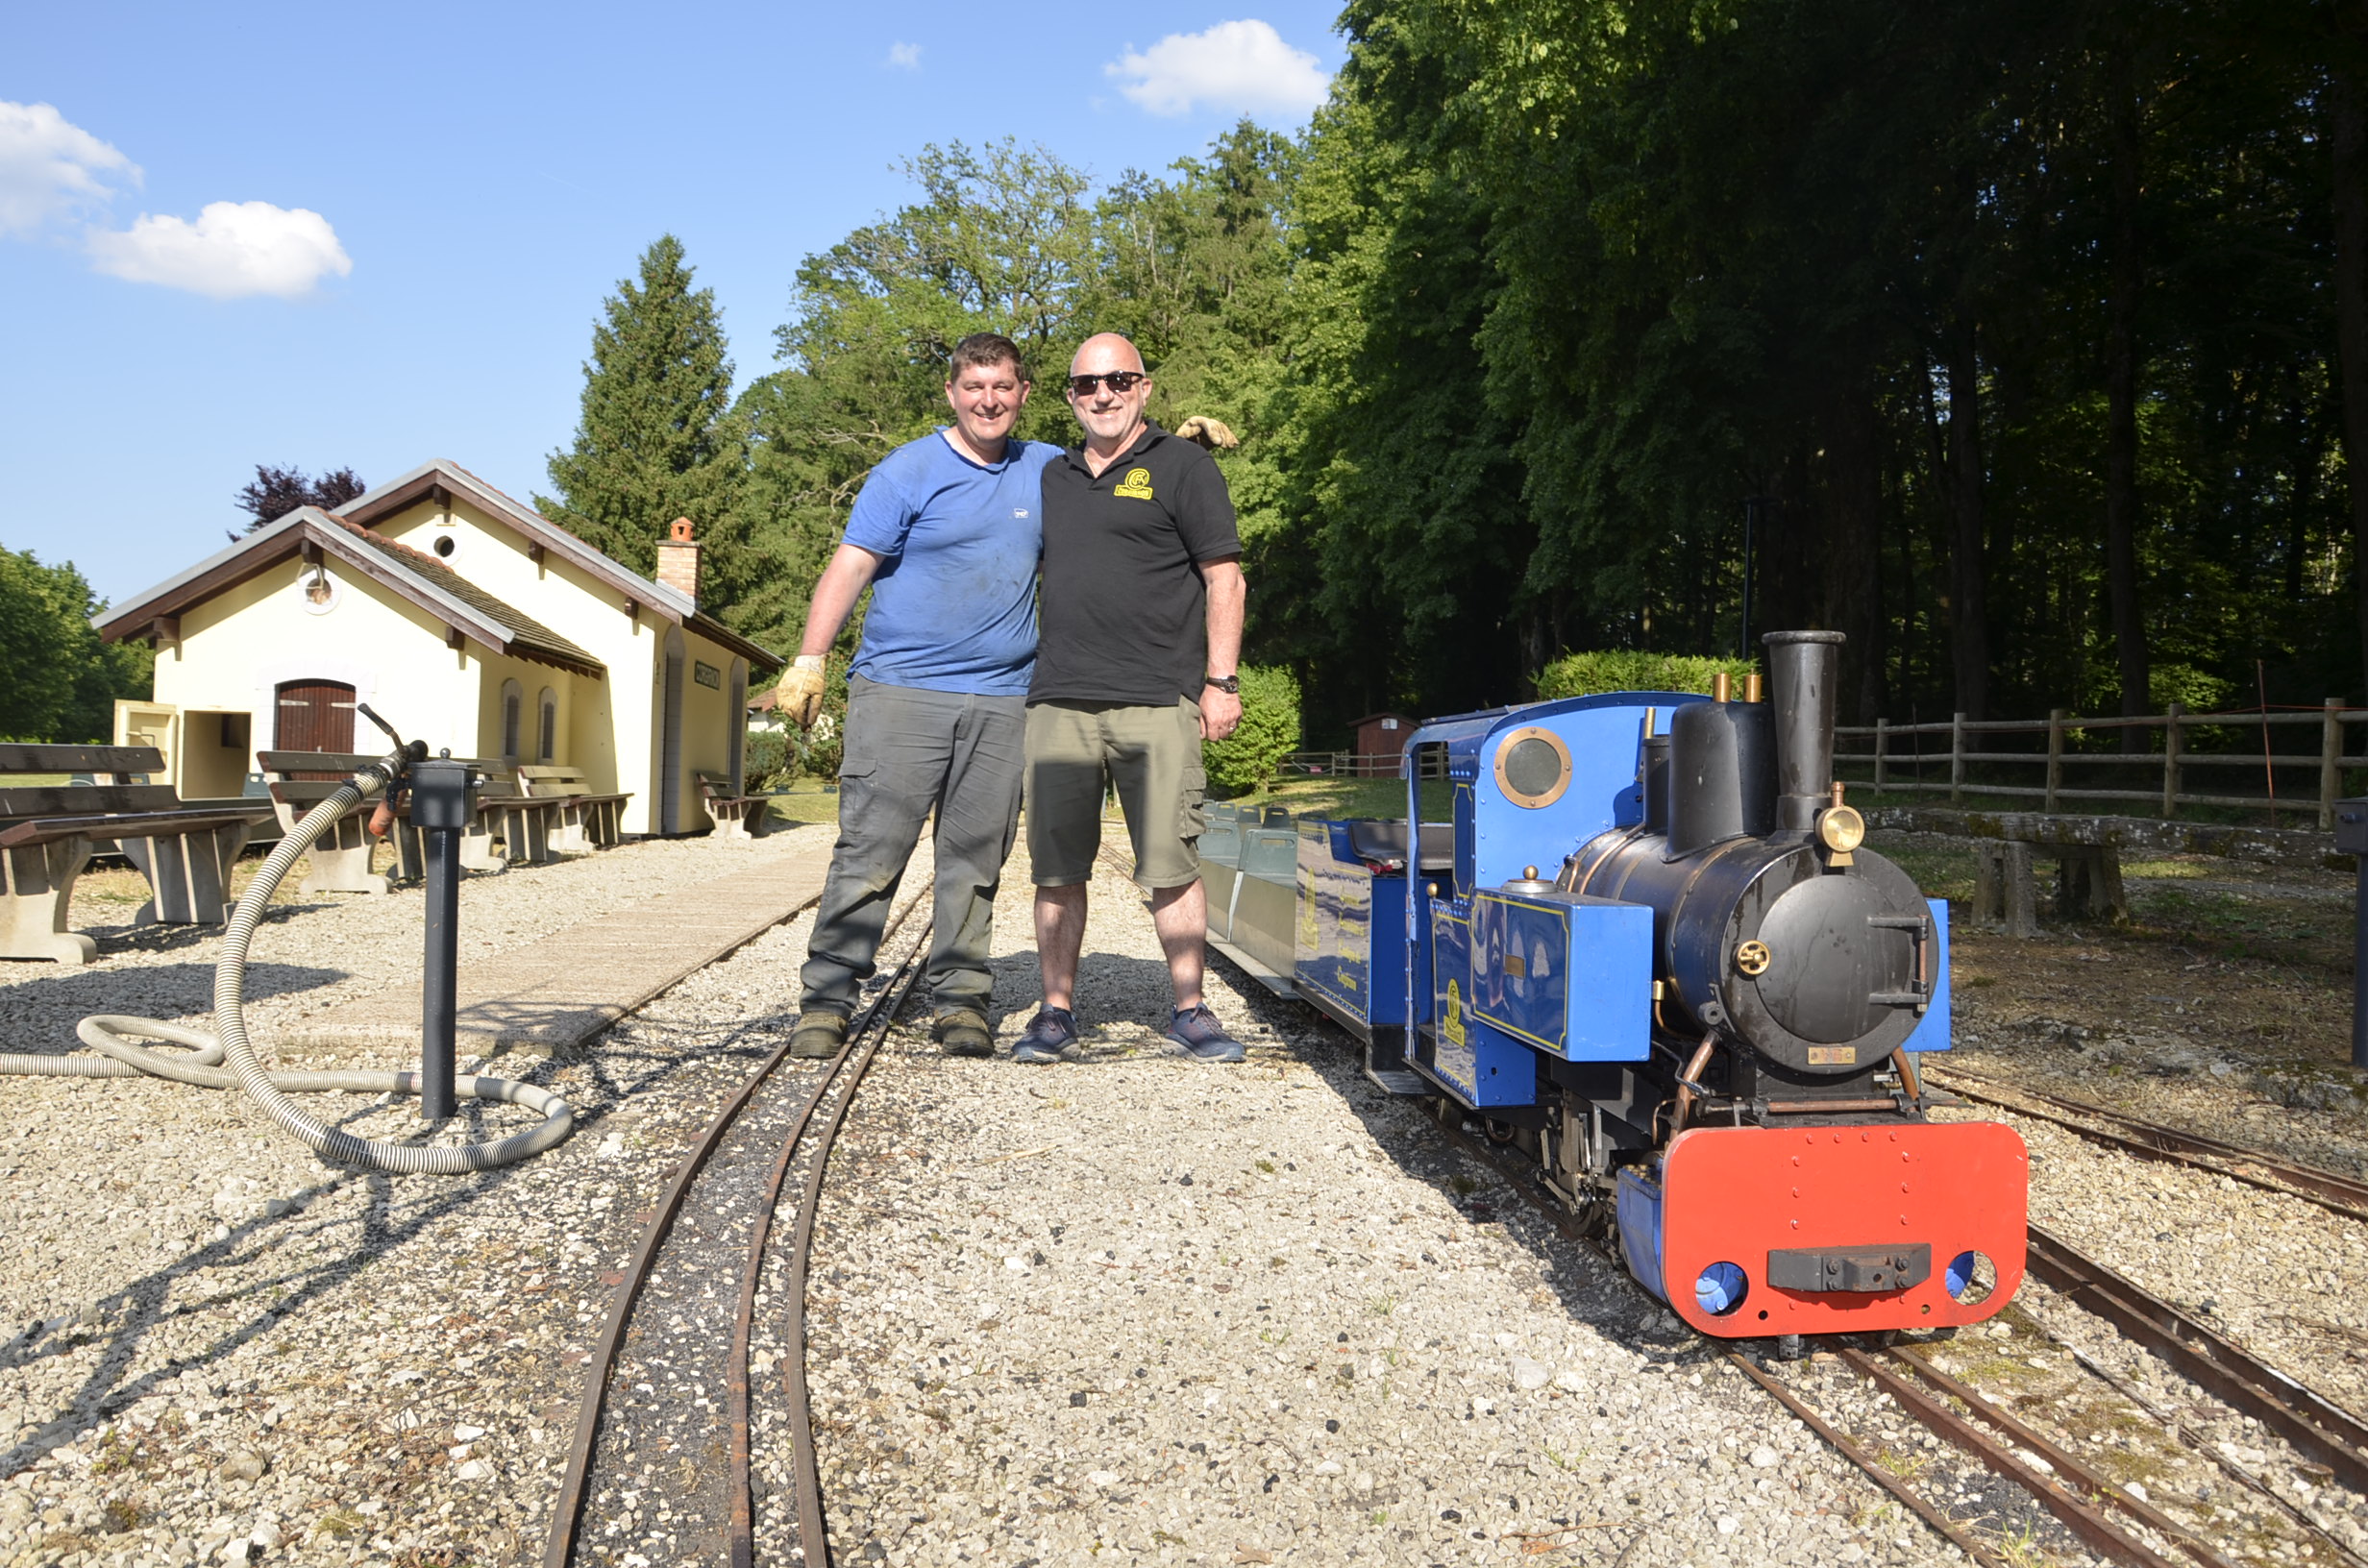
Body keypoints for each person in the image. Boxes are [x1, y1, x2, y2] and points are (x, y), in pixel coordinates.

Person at [776, 333, 1057, 1059]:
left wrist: (1171, 452)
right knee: (871, 852)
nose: (988, 401)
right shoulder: (908, 470)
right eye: (974, 387)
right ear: (951, 393)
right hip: (902, 692)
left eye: (1002, 387)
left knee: (975, 861)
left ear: (1024, 393)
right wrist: (809, 658)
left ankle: (961, 1000)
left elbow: (1115, 482)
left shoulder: (1045, 468)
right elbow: (852, 564)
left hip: (1003, 699)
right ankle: (827, 999)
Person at [1014, 331, 1249, 1065]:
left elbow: (1225, 578)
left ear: (1143, 388)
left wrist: (1221, 682)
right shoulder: (1048, 476)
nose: (1103, 394)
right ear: (1069, 398)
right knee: (1056, 870)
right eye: (1087, 384)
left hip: (1157, 698)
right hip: (1059, 700)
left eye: (1119, 380)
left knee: (1171, 865)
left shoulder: (1183, 466)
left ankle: (1190, 1009)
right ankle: (1055, 1012)